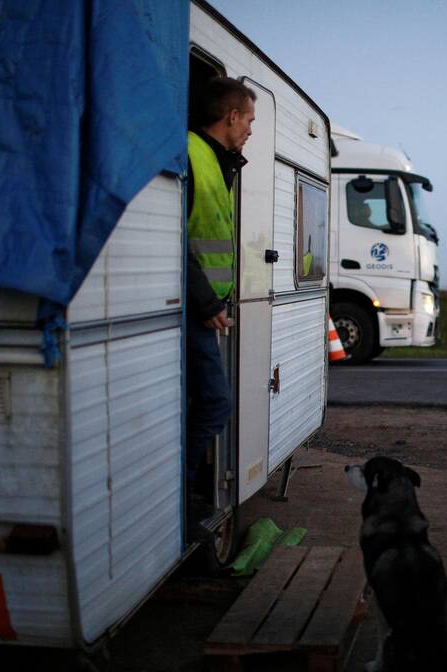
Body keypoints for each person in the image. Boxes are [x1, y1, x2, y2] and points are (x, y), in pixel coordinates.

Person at [186, 77, 256, 512]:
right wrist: (206, 300)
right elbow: (173, 235)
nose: (250, 129)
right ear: (231, 116)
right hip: (195, 309)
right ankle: (182, 498)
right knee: (215, 404)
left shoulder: (215, 158)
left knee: (205, 402)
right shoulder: (192, 156)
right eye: (248, 120)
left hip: (203, 307)